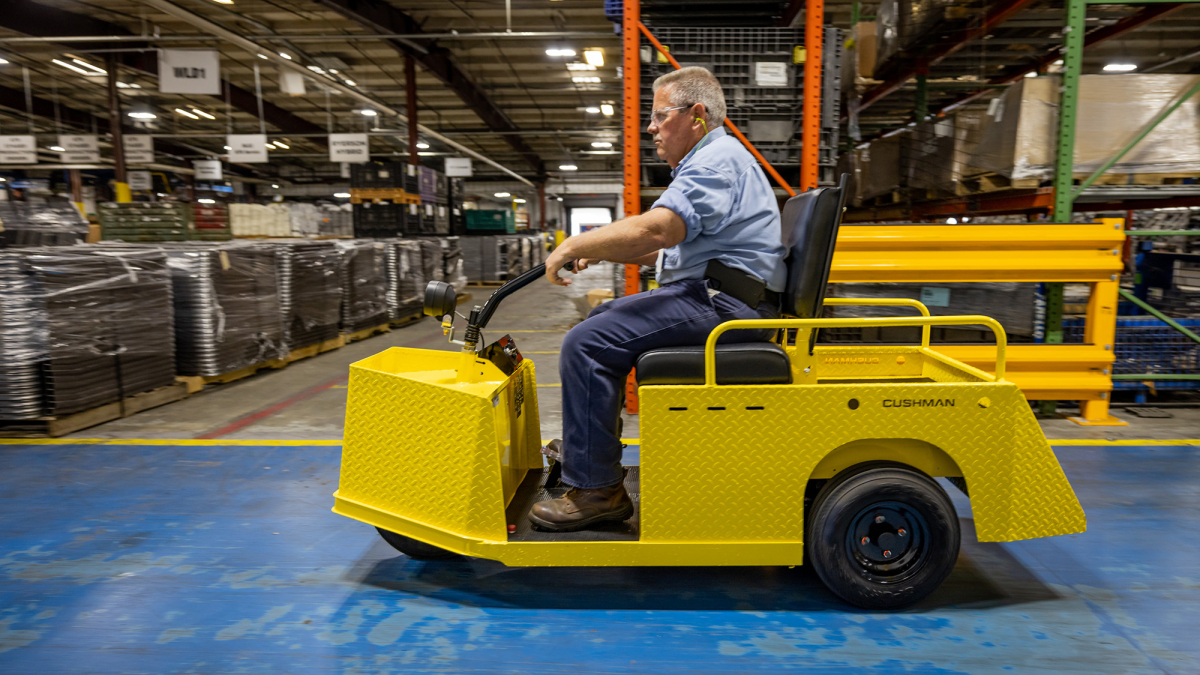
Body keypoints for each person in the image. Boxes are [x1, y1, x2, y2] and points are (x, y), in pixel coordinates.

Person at [530, 67, 788, 532]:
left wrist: (574, 244)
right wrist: (604, 248)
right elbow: (671, 246)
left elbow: (658, 228)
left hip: (726, 306)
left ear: (695, 115)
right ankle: (589, 451)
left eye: (658, 116)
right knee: (602, 317)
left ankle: (597, 490)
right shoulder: (714, 159)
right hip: (717, 295)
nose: (650, 128)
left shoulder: (715, 161)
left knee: (586, 345)